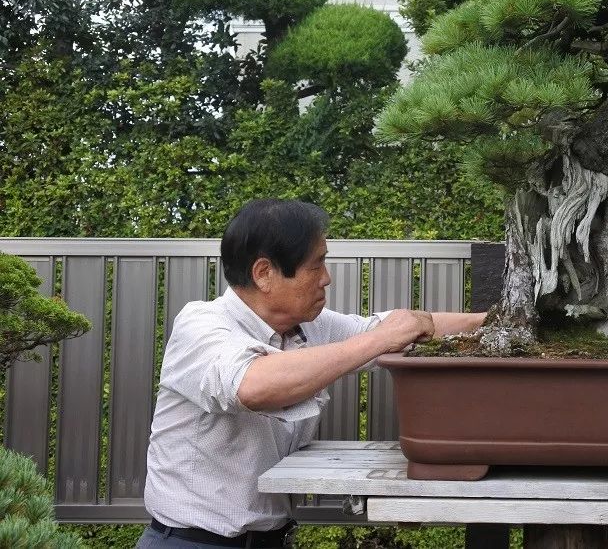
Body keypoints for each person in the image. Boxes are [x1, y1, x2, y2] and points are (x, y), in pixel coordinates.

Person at [136, 199, 486, 548]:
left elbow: (398, 328)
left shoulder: (308, 328)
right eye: (316, 265)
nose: (327, 278)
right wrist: (379, 340)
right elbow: (252, 385)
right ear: (264, 274)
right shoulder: (201, 326)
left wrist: (496, 322)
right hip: (190, 542)